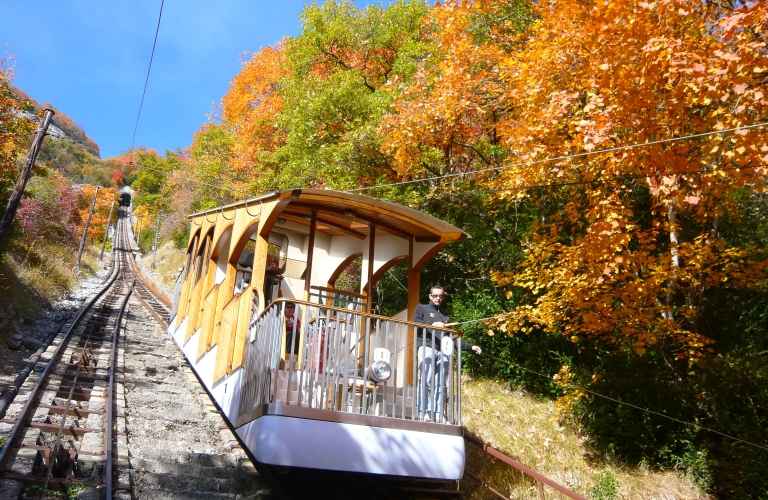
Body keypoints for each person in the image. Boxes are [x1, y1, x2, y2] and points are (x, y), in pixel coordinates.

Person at [414, 285, 481, 423]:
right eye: (435, 295)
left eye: (441, 296)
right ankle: (423, 413)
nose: (438, 298)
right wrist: (433, 324)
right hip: (426, 347)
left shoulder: (445, 317)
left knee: (441, 385)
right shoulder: (422, 308)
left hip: (442, 352)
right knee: (425, 380)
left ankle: (439, 414)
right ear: (430, 296)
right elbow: (416, 323)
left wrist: (471, 347)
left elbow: (451, 341)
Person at [284, 302, 301, 369]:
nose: (289, 308)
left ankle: (296, 356)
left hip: (293, 335)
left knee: (298, 336)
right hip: (284, 335)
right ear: (285, 308)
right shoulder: (282, 317)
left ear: (293, 309)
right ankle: (288, 354)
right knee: (291, 334)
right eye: (288, 307)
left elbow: (298, 332)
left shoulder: (296, 320)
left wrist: (296, 327)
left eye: (291, 307)